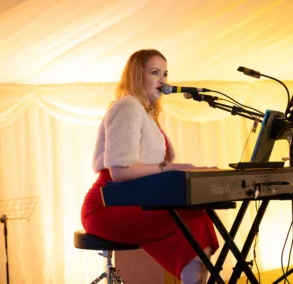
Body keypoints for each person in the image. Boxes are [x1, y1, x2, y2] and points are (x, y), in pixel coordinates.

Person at [81, 49, 219, 283]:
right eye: (155, 72)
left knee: (197, 217)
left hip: (133, 199)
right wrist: (171, 169)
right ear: (137, 75)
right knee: (193, 218)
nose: (162, 80)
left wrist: (189, 171)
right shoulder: (128, 107)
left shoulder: (144, 112)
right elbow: (120, 171)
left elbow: (151, 169)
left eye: (165, 73)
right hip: (107, 205)